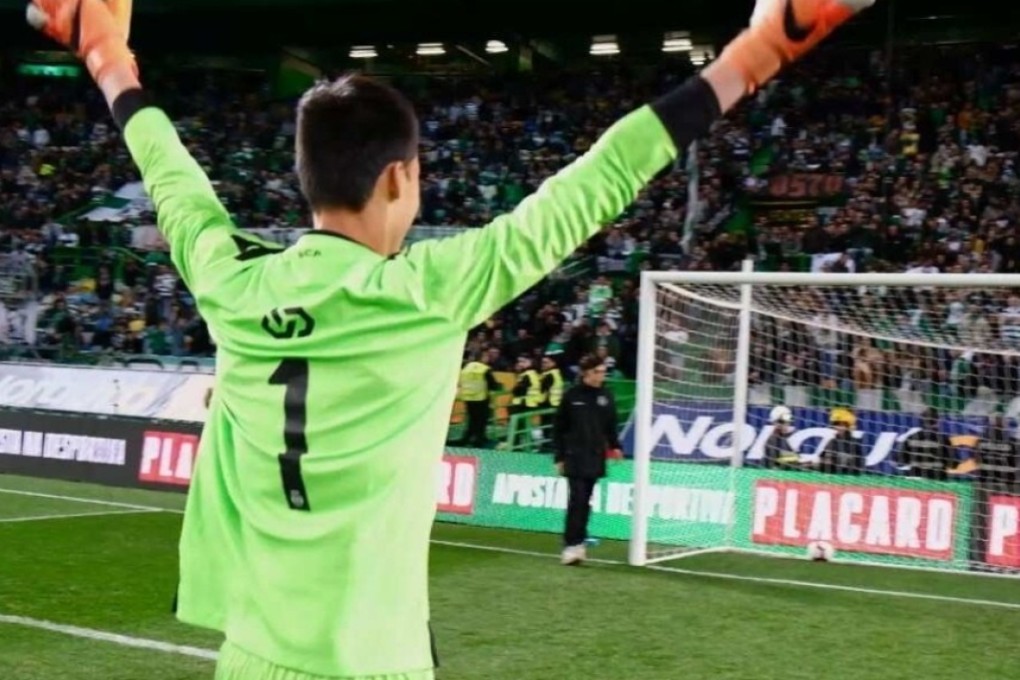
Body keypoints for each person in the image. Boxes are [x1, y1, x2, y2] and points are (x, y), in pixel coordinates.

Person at [25, 0, 873, 676]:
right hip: (369, 660)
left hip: (250, 655)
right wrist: (754, 56)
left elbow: (168, 173)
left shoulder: (231, 280)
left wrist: (108, 59)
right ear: (401, 176)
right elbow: (596, 181)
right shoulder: (430, 291)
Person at [553, 355, 622, 566]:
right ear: (587, 373)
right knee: (577, 500)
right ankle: (571, 545)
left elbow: (611, 425)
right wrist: (559, 456)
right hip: (574, 456)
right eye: (598, 371)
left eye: (603, 371)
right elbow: (559, 428)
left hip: (595, 457)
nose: (602, 375)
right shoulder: (572, 396)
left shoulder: (606, 396)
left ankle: (579, 543)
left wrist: (615, 446)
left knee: (586, 501)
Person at [453, 351, 499, 447]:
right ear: (482, 358)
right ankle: (478, 441)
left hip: (468, 398)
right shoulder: (484, 369)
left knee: (472, 419)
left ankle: (467, 439)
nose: (488, 358)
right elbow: (493, 385)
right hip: (481, 398)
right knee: (481, 420)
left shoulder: (465, 368)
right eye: (486, 356)